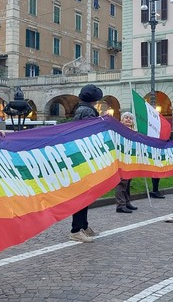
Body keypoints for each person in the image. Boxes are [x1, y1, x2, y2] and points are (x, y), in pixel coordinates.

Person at [69, 84, 103, 243]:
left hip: (81, 156)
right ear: (94, 100)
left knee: (85, 194)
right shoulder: (88, 112)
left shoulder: (81, 109)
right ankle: (76, 229)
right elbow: (91, 132)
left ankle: (83, 225)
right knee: (82, 195)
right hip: (83, 158)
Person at [115, 112, 138, 213]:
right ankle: (120, 204)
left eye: (130, 118)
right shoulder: (119, 131)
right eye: (126, 118)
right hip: (122, 159)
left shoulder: (134, 132)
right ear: (122, 120)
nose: (128, 119)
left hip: (130, 159)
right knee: (122, 182)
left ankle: (127, 202)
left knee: (128, 182)